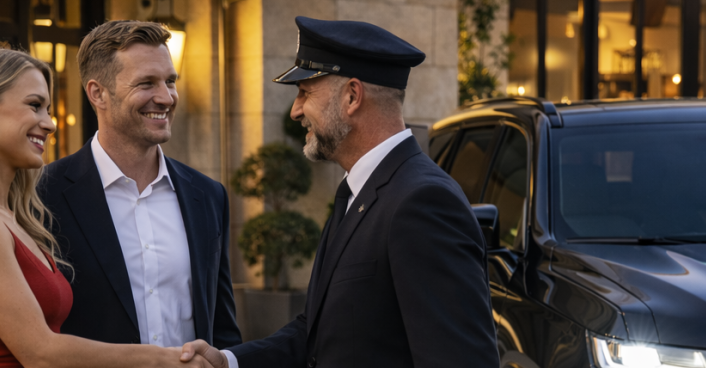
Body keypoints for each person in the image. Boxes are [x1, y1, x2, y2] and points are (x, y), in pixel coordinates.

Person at [180, 16, 499, 368]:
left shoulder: (422, 203)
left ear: (351, 96)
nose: (295, 110)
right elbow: (316, 333)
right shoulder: (357, 191)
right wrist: (228, 361)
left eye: (305, 92)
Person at [0, 45, 211, 367]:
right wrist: (164, 360)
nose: (50, 124)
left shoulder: (8, 214)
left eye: (47, 109)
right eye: (34, 105)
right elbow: (40, 354)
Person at [38, 20, 242, 349]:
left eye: (170, 81)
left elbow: (222, 330)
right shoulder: (42, 195)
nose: (166, 97)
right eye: (147, 83)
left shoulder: (207, 195)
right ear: (97, 93)